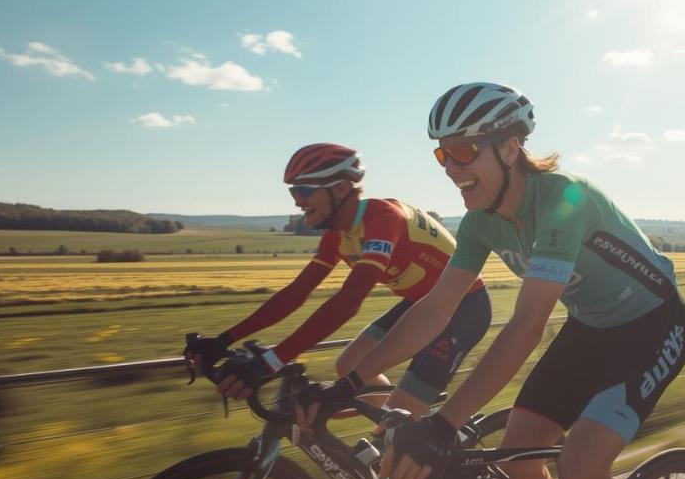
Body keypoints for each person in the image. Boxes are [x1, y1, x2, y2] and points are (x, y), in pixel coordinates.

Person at [294, 83, 685, 479]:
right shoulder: (479, 219)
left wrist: (445, 423)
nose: (451, 168)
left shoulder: (563, 200)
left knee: (579, 463)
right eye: (442, 154)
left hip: (651, 325)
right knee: (520, 461)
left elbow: (526, 326)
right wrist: (348, 384)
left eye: (463, 151)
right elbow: (435, 309)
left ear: (509, 147)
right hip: (591, 329)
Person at [186, 143, 491, 420]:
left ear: (342, 188)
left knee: (398, 421)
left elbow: (347, 303)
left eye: (303, 191)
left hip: (466, 306)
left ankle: (417, 435)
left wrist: (270, 362)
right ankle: (403, 425)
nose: (297, 202)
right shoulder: (338, 236)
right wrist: (225, 339)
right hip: (420, 303)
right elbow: (296, 293)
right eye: (293, 192)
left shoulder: (384, 219)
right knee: (349, 366)